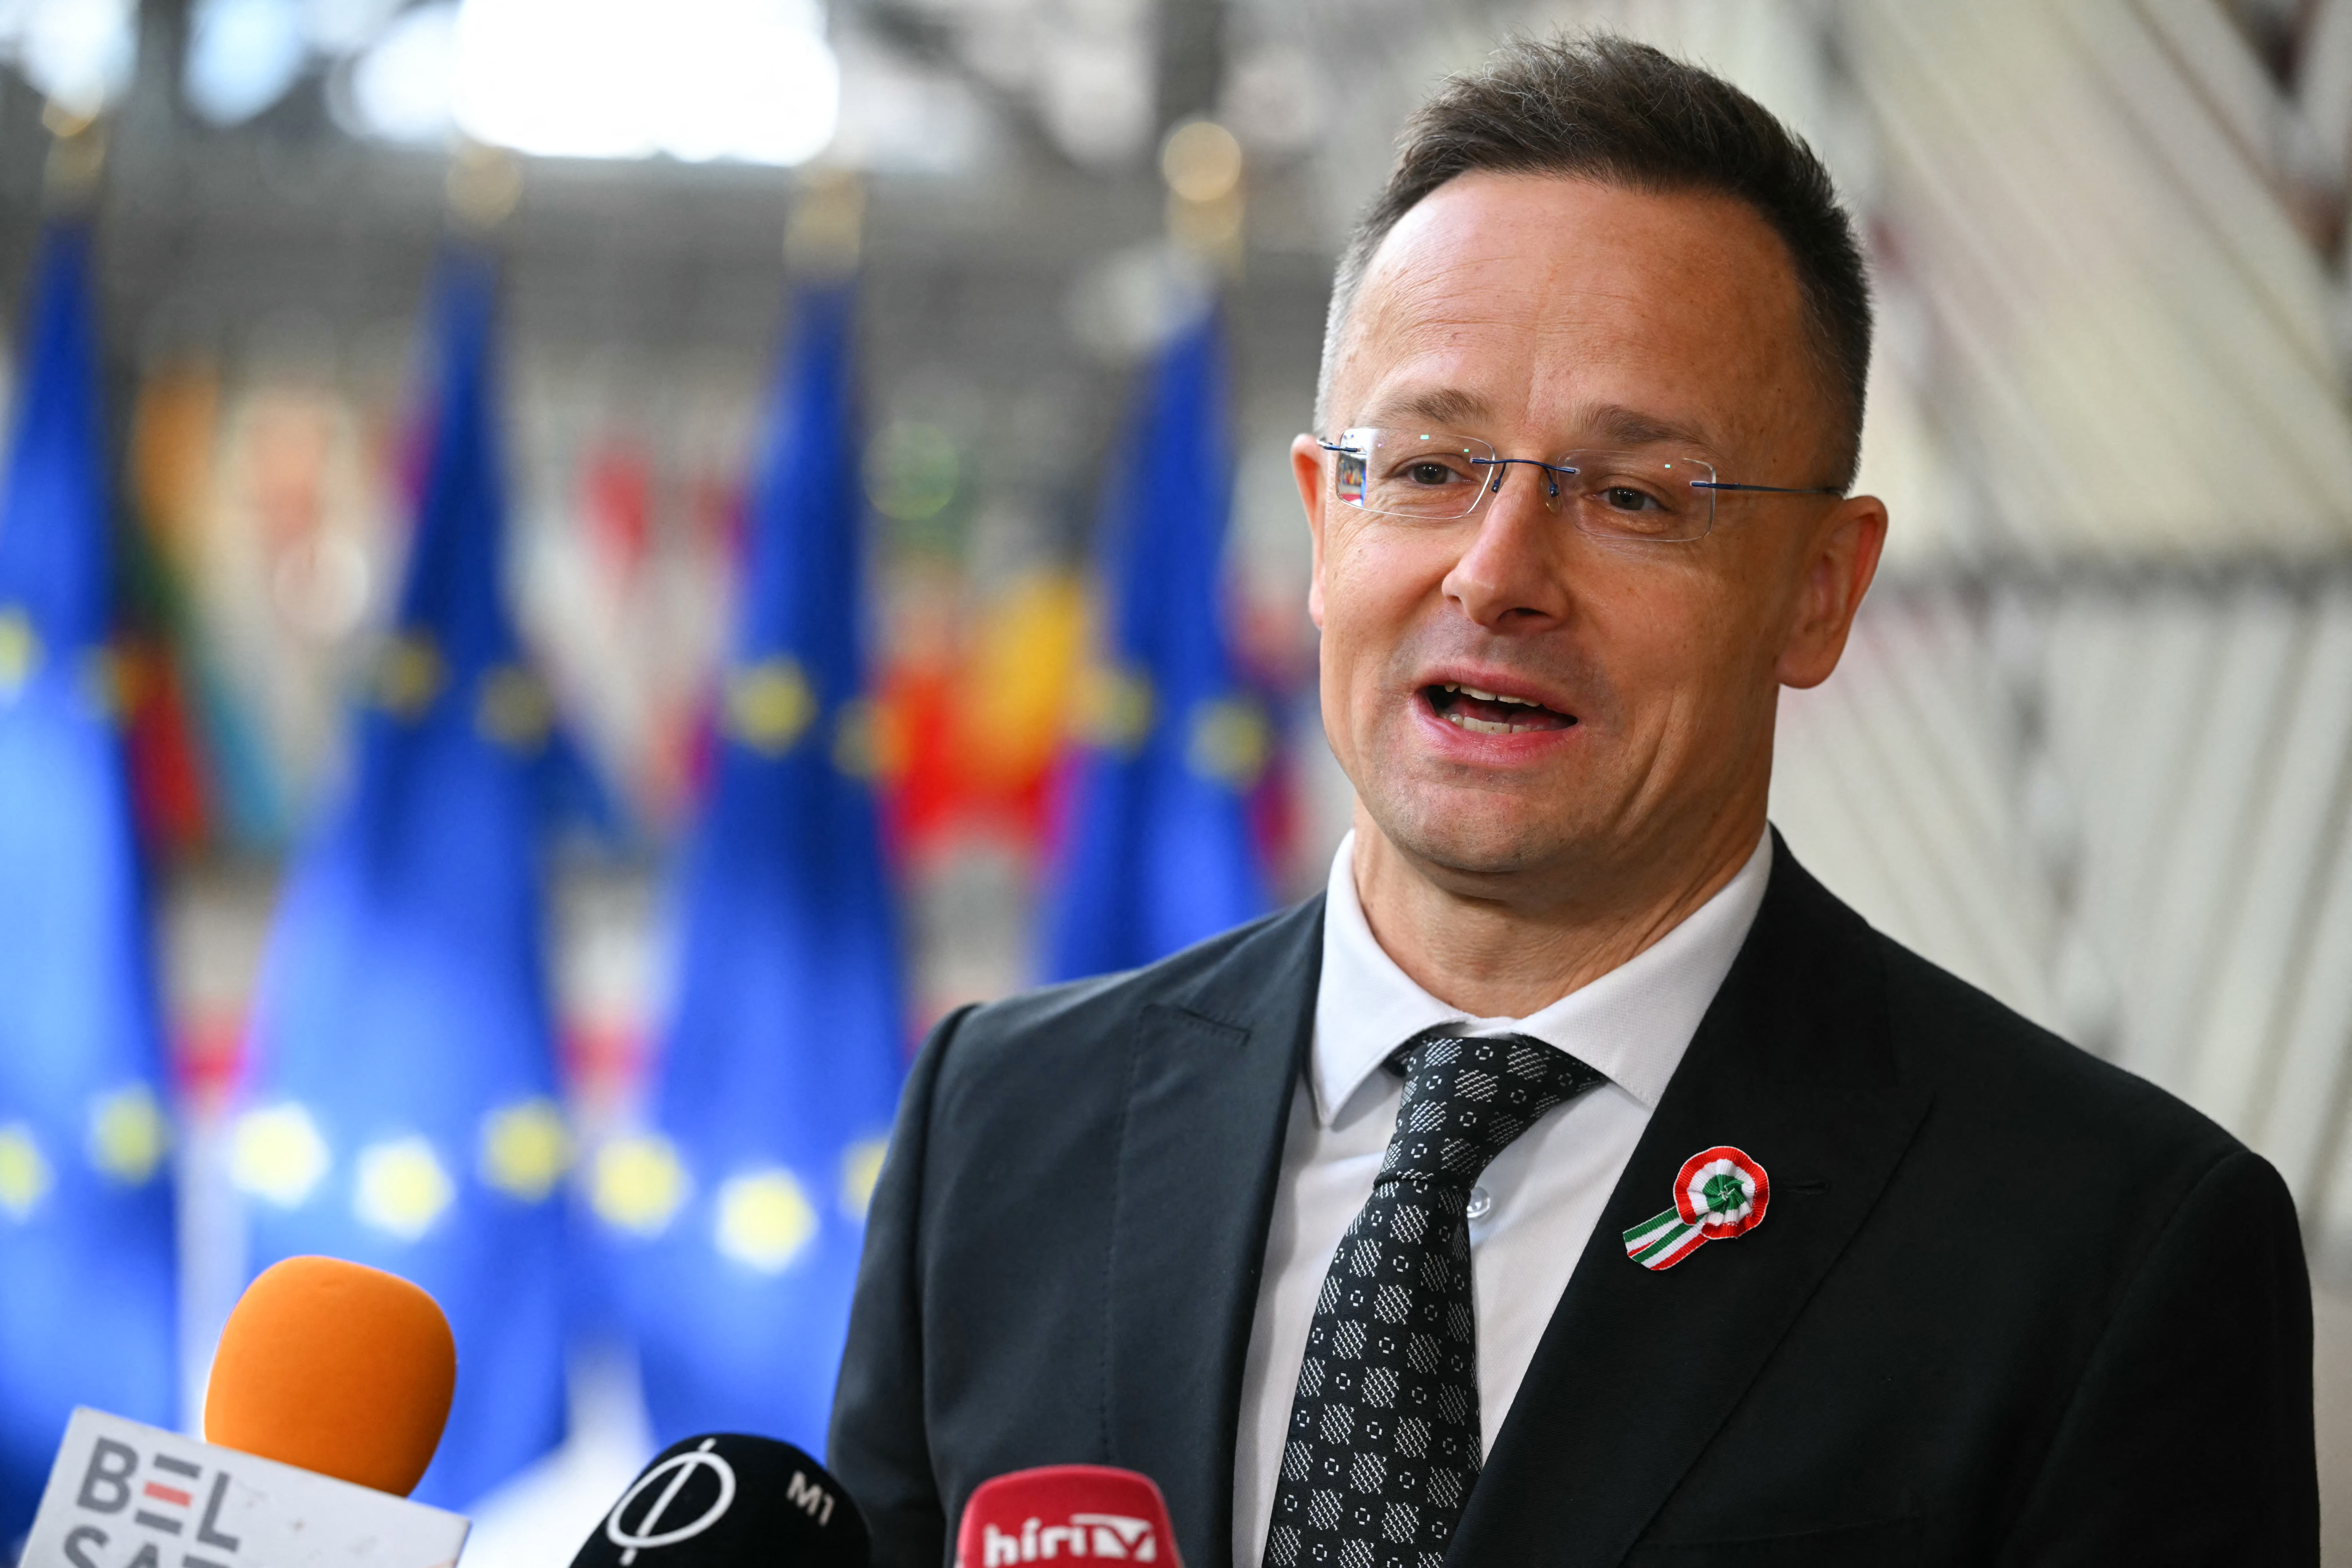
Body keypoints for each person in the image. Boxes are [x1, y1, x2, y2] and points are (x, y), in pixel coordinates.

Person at [829, 34, 2318, 1568]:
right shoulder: (1005, 1125)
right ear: (1319, 523)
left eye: (1633, 497)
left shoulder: (2106, 1251)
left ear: (1821, 591)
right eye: (1425, 468)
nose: (1498, 573)